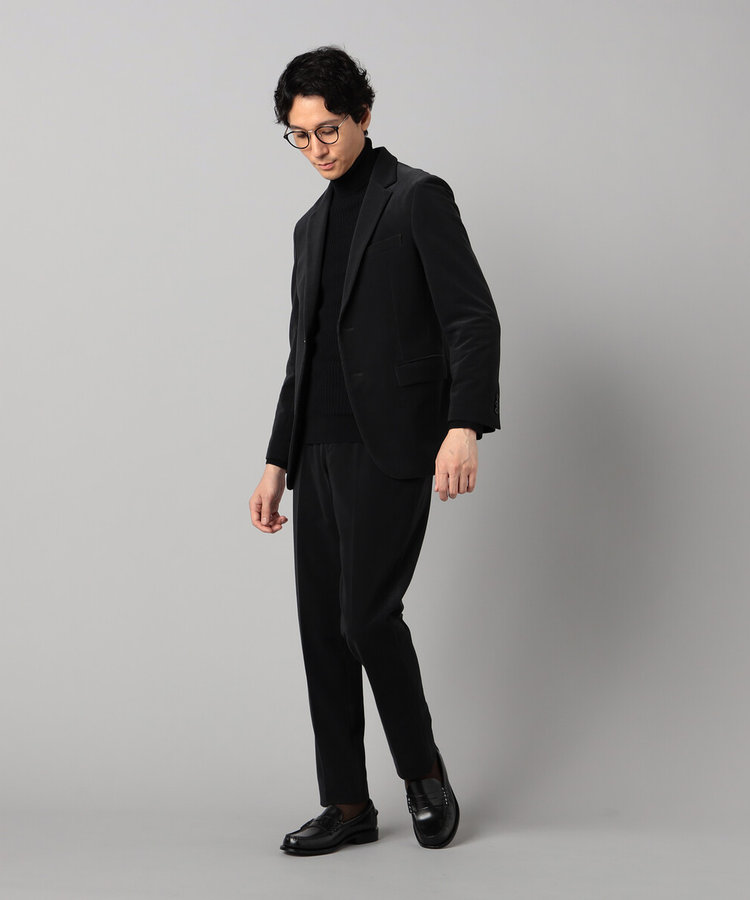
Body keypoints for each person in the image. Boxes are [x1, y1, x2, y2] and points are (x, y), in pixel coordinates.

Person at [249, 46, 500, 855]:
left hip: (391, 443)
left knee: (366, 616)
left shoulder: (417, 197)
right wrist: (276, 462)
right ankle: (348, 804)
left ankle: (422, 773)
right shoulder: (309, 227)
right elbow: (304, 354)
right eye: (299, 136)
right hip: (316, 447)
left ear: (363, 115)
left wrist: (463, 424)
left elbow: (471, 317)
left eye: (328, 129)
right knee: (323, 628)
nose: (316, 148)